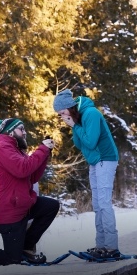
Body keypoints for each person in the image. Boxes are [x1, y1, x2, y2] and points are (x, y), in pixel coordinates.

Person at [0, 118, 59, 265]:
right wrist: (42, 149)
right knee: (12, 260)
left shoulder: (15, 149)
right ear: (10, 132)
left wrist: (45, 154)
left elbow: (32, 177)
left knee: (51, 206)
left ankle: (25, 247)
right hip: (9, 213)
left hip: (22, 207)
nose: (24, 133)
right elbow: (22, 169)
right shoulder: (2, 147)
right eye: (21, 129)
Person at [53, 89, 120, 260]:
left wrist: (75, 126)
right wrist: (74, 125)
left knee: (104, 203)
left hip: (105, 158)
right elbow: (78, 143)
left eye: (62, 112)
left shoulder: (91, 113)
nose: (61, 116)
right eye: (59, 114)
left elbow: (90, 142)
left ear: (69, 106)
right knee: (97, 204)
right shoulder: (79, 117)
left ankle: (111, 247)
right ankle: (101, 245)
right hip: (94, 161)